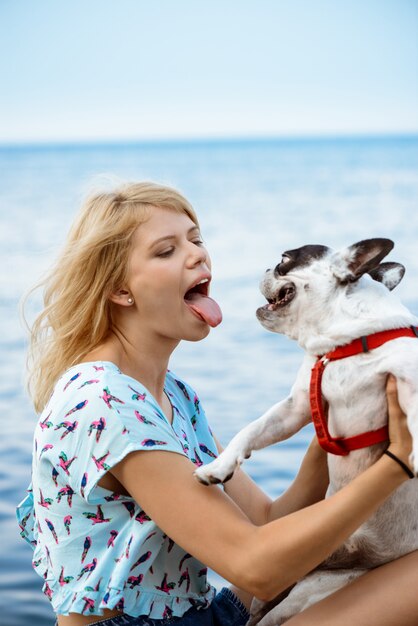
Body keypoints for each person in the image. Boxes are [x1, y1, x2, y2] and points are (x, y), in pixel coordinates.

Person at [17, 181, 418, 626]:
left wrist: (344, 421)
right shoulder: (104, 401)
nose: (197, 255)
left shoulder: (173, 395)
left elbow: (266, 521)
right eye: (166, 251)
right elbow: (256, 568)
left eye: (196, 239)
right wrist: (397, 463)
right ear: (120, 290)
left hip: (203, 614)